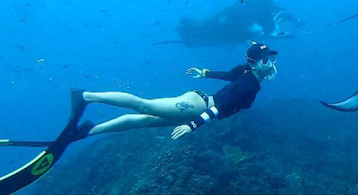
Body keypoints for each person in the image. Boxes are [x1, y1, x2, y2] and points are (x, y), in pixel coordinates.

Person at [72, 42, 278, 141]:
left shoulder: (245, 70)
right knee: (144, 105)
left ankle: (89, 130)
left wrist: (204, 73)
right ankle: (85, 96)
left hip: (198, 105)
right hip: (199, 107)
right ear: (253, 64)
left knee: (145, 120)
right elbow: (222, 108)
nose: (271, 64)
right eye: (266, 60)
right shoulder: (249, 84)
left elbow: (228, 74)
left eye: (272, 58)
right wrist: (193, 125)